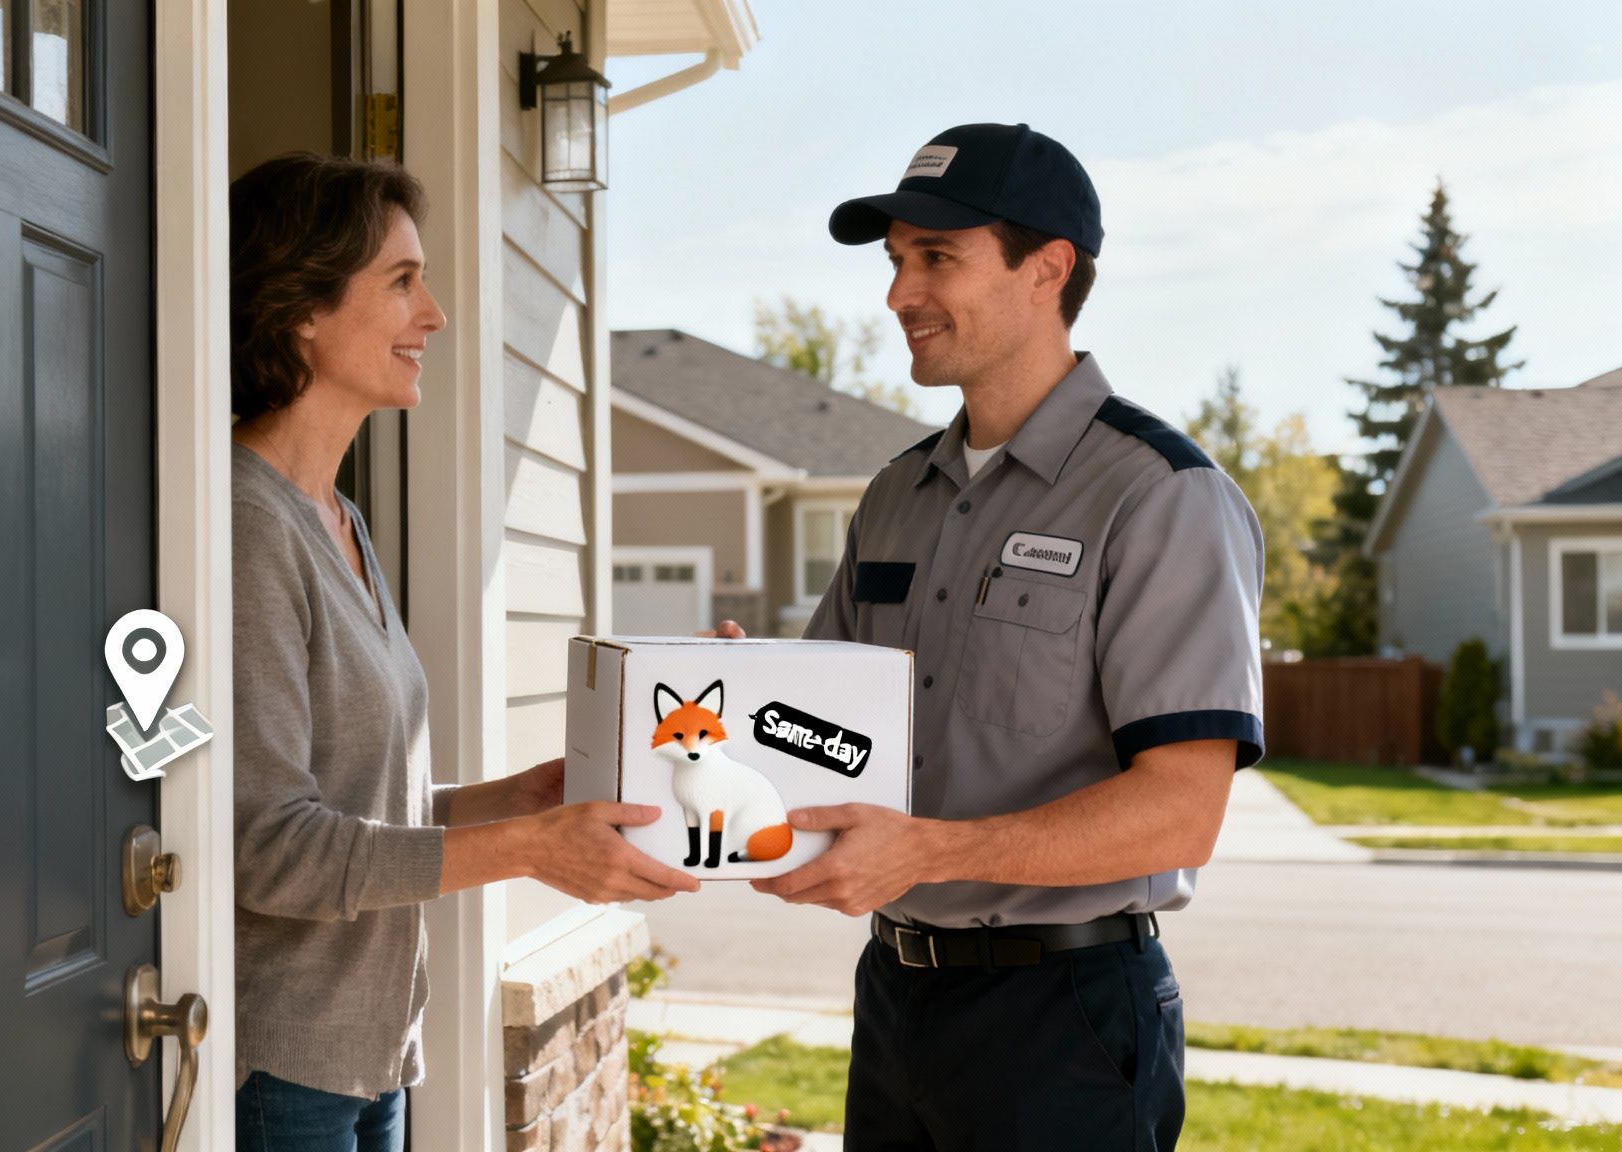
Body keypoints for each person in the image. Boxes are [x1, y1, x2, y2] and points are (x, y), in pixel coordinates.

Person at [726, 123, 1265, 1150]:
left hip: (1066, 1020)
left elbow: (1179, 813)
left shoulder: (1160, 495)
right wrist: (729, 699)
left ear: (1047, 269)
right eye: (895, 261)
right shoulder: (895, 495)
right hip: (896, 998)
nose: (899, 294)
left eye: (937, 257)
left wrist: (926, 851)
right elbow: (818, 737)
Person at [228, 152, 699, 1151]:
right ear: (302, 308)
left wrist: (513, 802)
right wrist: (529, 850)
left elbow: (357, 809)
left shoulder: (339, 519)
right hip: (283, 1071)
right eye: (401, 281)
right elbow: (269, 850)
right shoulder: (247, 525)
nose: (433, 314)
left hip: (372, 1057)